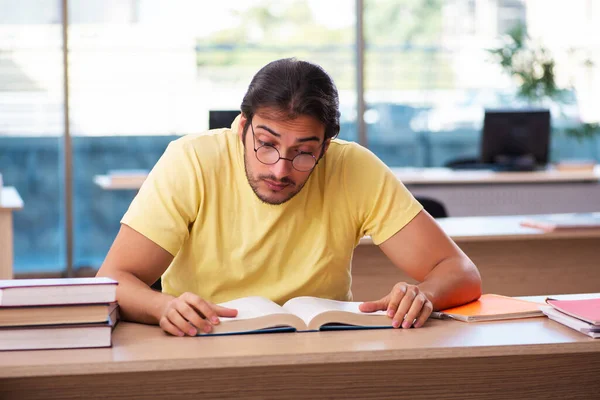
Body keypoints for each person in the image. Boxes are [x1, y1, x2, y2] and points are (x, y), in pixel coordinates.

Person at [97, 58, 481, 337]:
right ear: (242, 127)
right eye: (265, 144)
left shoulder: (354, 167)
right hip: (203, 344)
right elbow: (113, 278)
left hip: (322, 349)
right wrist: (163, 305)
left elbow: (461, 273)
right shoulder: (192, 159)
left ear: (326, 147)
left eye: (303, 152)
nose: (280, 169)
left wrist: (424, 294)